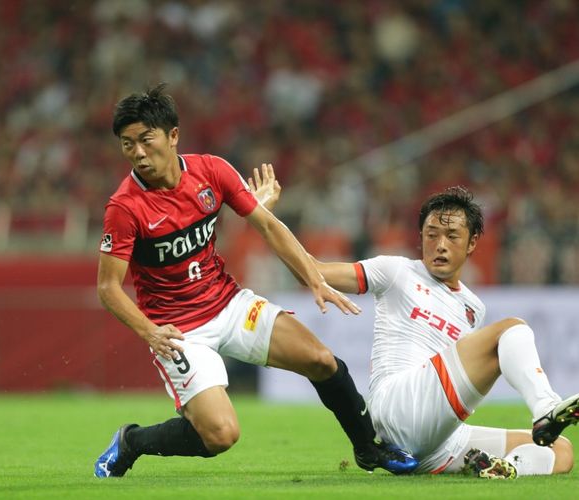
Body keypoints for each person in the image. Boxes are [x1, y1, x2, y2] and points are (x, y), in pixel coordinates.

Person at [93, 84, 418, 478]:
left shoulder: (212, 170)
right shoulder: (125, 208)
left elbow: (266, 224)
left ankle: (370, 448)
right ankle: (132, 441)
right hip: (179, 331)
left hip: (229, 304)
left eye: (146, 140)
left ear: (173, 135)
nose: (139, 154)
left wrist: (312, 276)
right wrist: (149, 332)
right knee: (220, 435)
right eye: (128, 145)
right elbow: (109, 287)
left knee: (321, 360)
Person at [259, 181, 577, 478]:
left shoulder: (473, 307)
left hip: (436, 443)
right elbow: (313, 271)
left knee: (561, 451)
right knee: (513, 329)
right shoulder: (397, 271)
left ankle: (502, 469)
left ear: (472, 242)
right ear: (420, 237)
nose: (439, 245)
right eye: (431, 234)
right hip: (396, 407)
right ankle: (546, 407)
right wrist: (262, 214)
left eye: (451, 236)